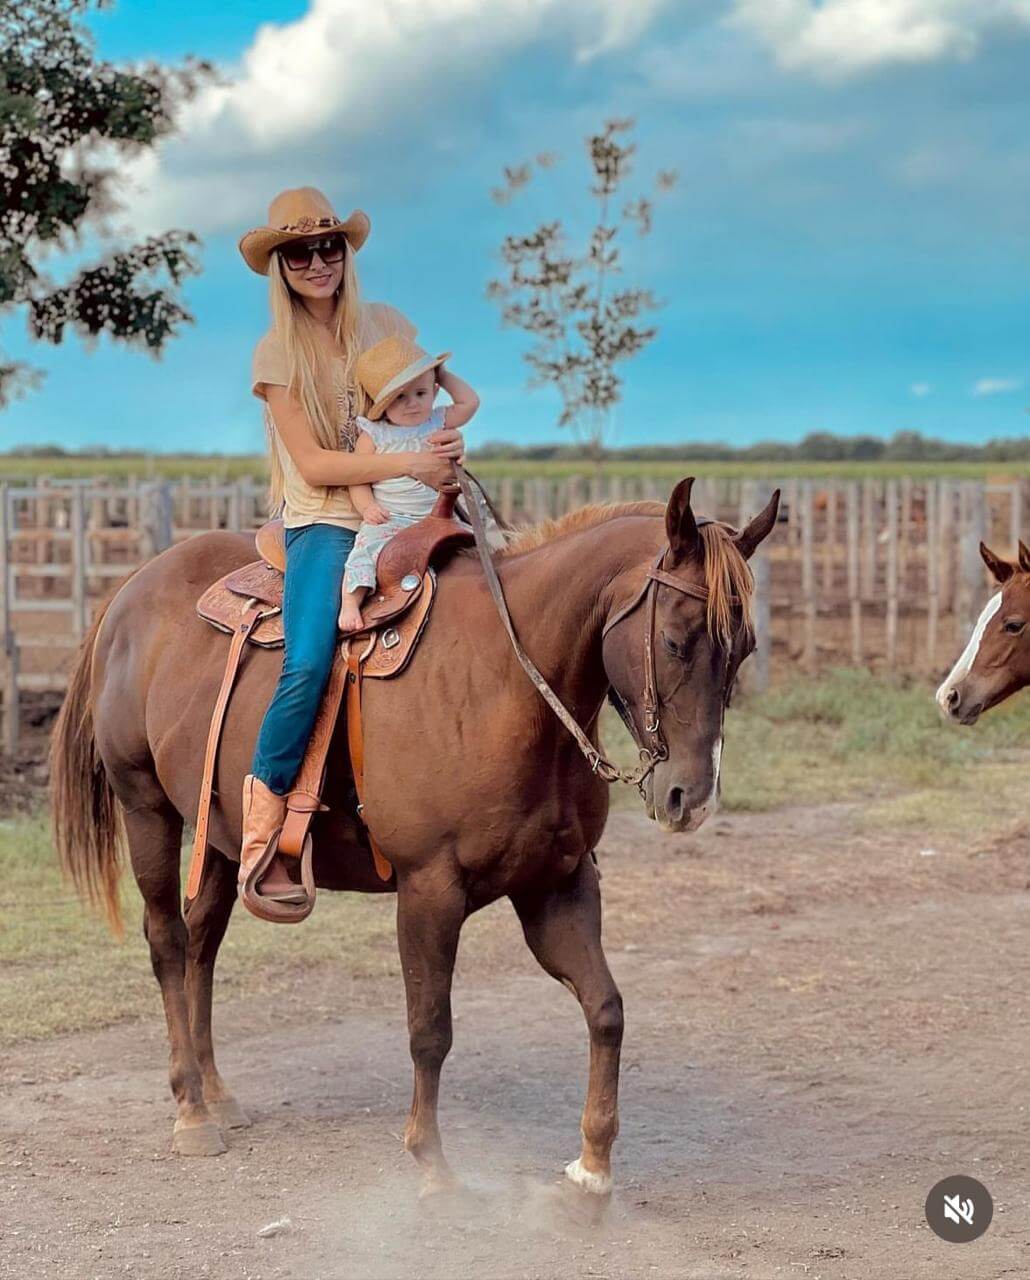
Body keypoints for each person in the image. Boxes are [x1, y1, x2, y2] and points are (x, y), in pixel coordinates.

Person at [236, 187, 462, 918]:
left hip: (415, 504)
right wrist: (408, 466)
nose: (318, 261)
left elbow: (429, 402)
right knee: (306, 658)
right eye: (300, 251)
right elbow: (317, 467)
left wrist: (444, 445)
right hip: (324, 522)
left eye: (330, 245)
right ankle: (264, 823)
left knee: (513, 595)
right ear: (281, 264)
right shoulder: (276, 352)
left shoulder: (388, 325)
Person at [337, 336, 480, 631]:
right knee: (366, 549)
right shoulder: (376, 435)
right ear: (382, 404)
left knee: (478, 544)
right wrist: (367, 507)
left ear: (434, 391)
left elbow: (470, 402)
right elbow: (357, 477)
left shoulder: (438, 421)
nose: (412, 403)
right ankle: (351, 602)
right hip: (393, 517)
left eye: (420, 392)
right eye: (399, 397)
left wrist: (440, 373)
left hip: (438, 515)